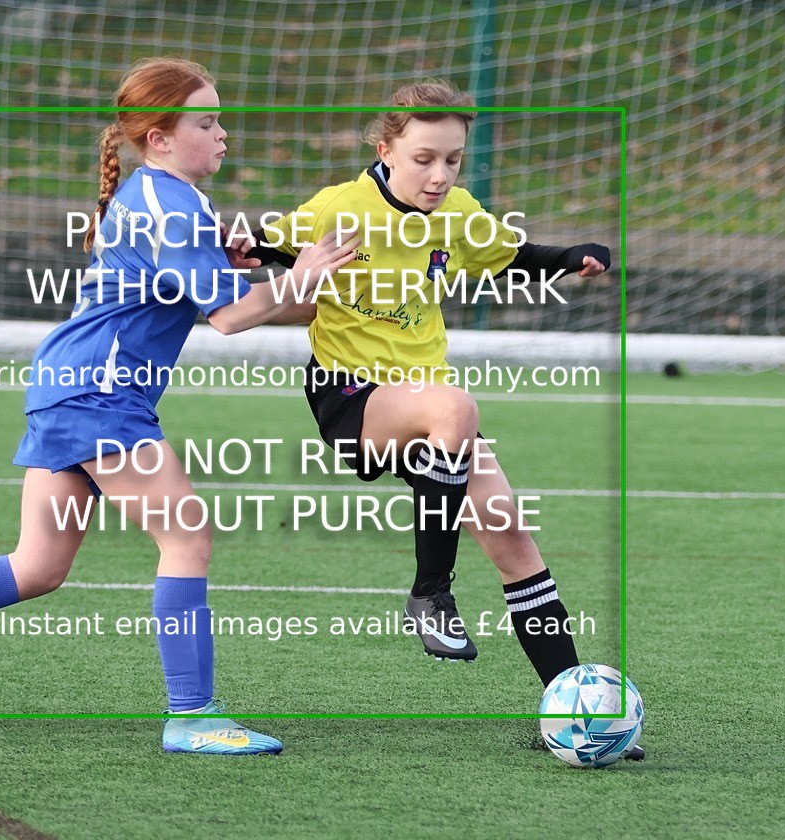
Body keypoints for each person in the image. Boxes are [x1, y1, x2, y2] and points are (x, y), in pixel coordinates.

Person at [0, 57, 356, 755]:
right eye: (207, 120)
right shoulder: (170, 203)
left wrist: (305, 290)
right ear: (160, 138)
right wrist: (298, 278)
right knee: (187, 534)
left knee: (37, 566)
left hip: (75, 387)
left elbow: (228, 305)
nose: (223, 133)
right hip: (98, 393)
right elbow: (227, 316)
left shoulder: (166, 199)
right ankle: (194, 715)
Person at [248, 80, 643, 758]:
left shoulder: (458, 212)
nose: (440, 175)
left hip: (430, 416)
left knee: (511, 532)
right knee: (455, 404)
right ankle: (430, 594)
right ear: (385, 149)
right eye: (424, 157)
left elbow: (510, 257)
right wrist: (216, 251)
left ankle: (579, 710)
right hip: (353, 396)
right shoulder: (340, 209)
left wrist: (575, 257)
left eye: (453, 160)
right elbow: (264, 246)